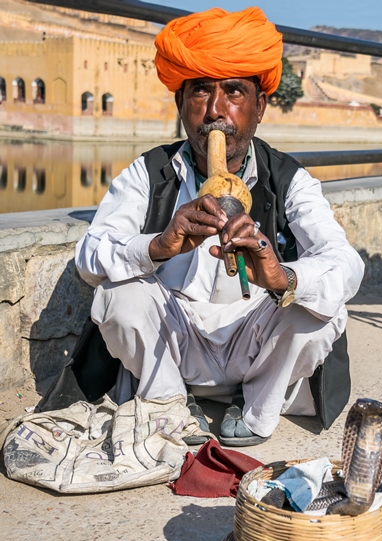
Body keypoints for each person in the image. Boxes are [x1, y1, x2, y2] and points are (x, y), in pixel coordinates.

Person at [74, 7, 365, 447]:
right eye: (201, 92)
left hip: (255, 343)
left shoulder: (288, 179)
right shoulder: (149, 172)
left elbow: (347, 265)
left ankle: (256, 407)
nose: (215, 111)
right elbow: (89, 257)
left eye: (233, 92)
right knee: (117, 292)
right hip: (174, 342)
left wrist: (282, 275)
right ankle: (170, 403)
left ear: (259, 105)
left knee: (321, 305)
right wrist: (158, 245)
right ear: (180, 102)